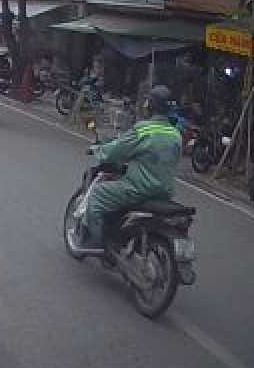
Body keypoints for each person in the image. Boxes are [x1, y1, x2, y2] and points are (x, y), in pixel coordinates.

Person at [78, 85, 184, 251]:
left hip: (139, 189)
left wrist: (97, 150)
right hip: (165, 192)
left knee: (98, 193)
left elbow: (116, 150)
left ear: (150, 105)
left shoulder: (143, 129)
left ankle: (95, 241)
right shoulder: (176, 134)